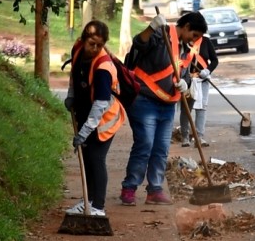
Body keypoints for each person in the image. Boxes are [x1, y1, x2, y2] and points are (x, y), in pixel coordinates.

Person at [120, 12, 208, 206]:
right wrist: (151, 27)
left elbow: (184, 73)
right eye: (193, 35)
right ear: (185, 27)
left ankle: (155, 190)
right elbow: (139, 44)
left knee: (161, 149)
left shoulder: (186, 50)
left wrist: (185, 83)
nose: (194, 40)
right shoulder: (161, 34)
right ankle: (129, 188)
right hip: (144, 100)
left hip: (168, 105)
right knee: (145, 144)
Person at [63, 20, 127, 216]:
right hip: (85, 113)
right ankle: (87, 201)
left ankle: (98, 206)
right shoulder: (77, 49)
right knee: (88, 159)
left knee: (95, 158)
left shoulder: (103, 68)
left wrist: (84, 133)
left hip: (104, 120)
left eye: (100, 45)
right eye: (92, 43)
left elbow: (100, 104)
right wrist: (71, 94)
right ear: (83, 40)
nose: (95, 48)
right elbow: (74, 73)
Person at [179, 35, 218, 147]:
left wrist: (208, 70)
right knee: (186, 108)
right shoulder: (183, 41)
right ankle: (185, 137)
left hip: (202, 79)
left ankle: (199, 138)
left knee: (201, 108)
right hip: (187, 79)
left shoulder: (205, 41)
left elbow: (215, 60)